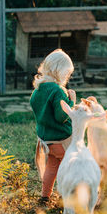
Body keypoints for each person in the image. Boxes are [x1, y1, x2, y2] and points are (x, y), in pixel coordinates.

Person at [30, 49, 76, 205]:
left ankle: (45, 196)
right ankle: (66, 196)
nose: (67, 78)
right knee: (69, 167)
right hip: (61, 140)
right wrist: (71, 102)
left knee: (52, 166)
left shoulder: (38, 89)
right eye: (67, 74)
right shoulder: (57, 91)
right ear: (58, 71)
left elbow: (37, 106)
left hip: (46, 140)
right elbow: (61, 116)